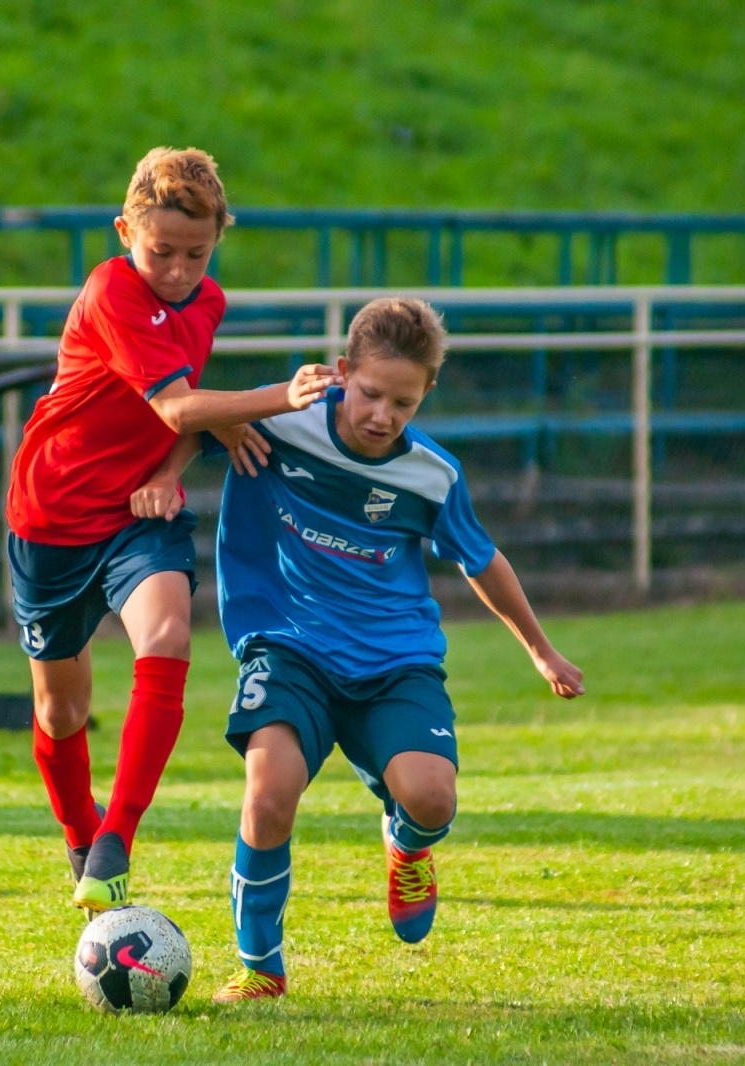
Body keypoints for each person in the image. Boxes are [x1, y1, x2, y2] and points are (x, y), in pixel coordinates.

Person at [204, 297, 586, 1002]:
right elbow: (181, 415)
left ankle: (407, 846)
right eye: (372, 394)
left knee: (432, 797)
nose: (383, 415)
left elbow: (481, 560)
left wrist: (541, 651)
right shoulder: (281, 420)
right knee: (269, 792)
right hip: (289, 647)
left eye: (403, 403)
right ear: (343, 371)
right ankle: (261, 968)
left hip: (394, 661)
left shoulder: (431, 474)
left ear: (426, 394)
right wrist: (170, 470)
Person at [7, 146, 339, 915]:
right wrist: (278, 397)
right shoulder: (110, 291)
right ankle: (81, 835)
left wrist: (168, 471)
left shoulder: (207, 302)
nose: (180, 271)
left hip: (137, 513)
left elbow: (181, 413)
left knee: (167, 637)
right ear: (125, 231)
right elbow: (179, 406)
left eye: (198, 253)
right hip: (53, 514)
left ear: (219, 237)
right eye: (162, 251)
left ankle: (117, 842)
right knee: (60, 710)